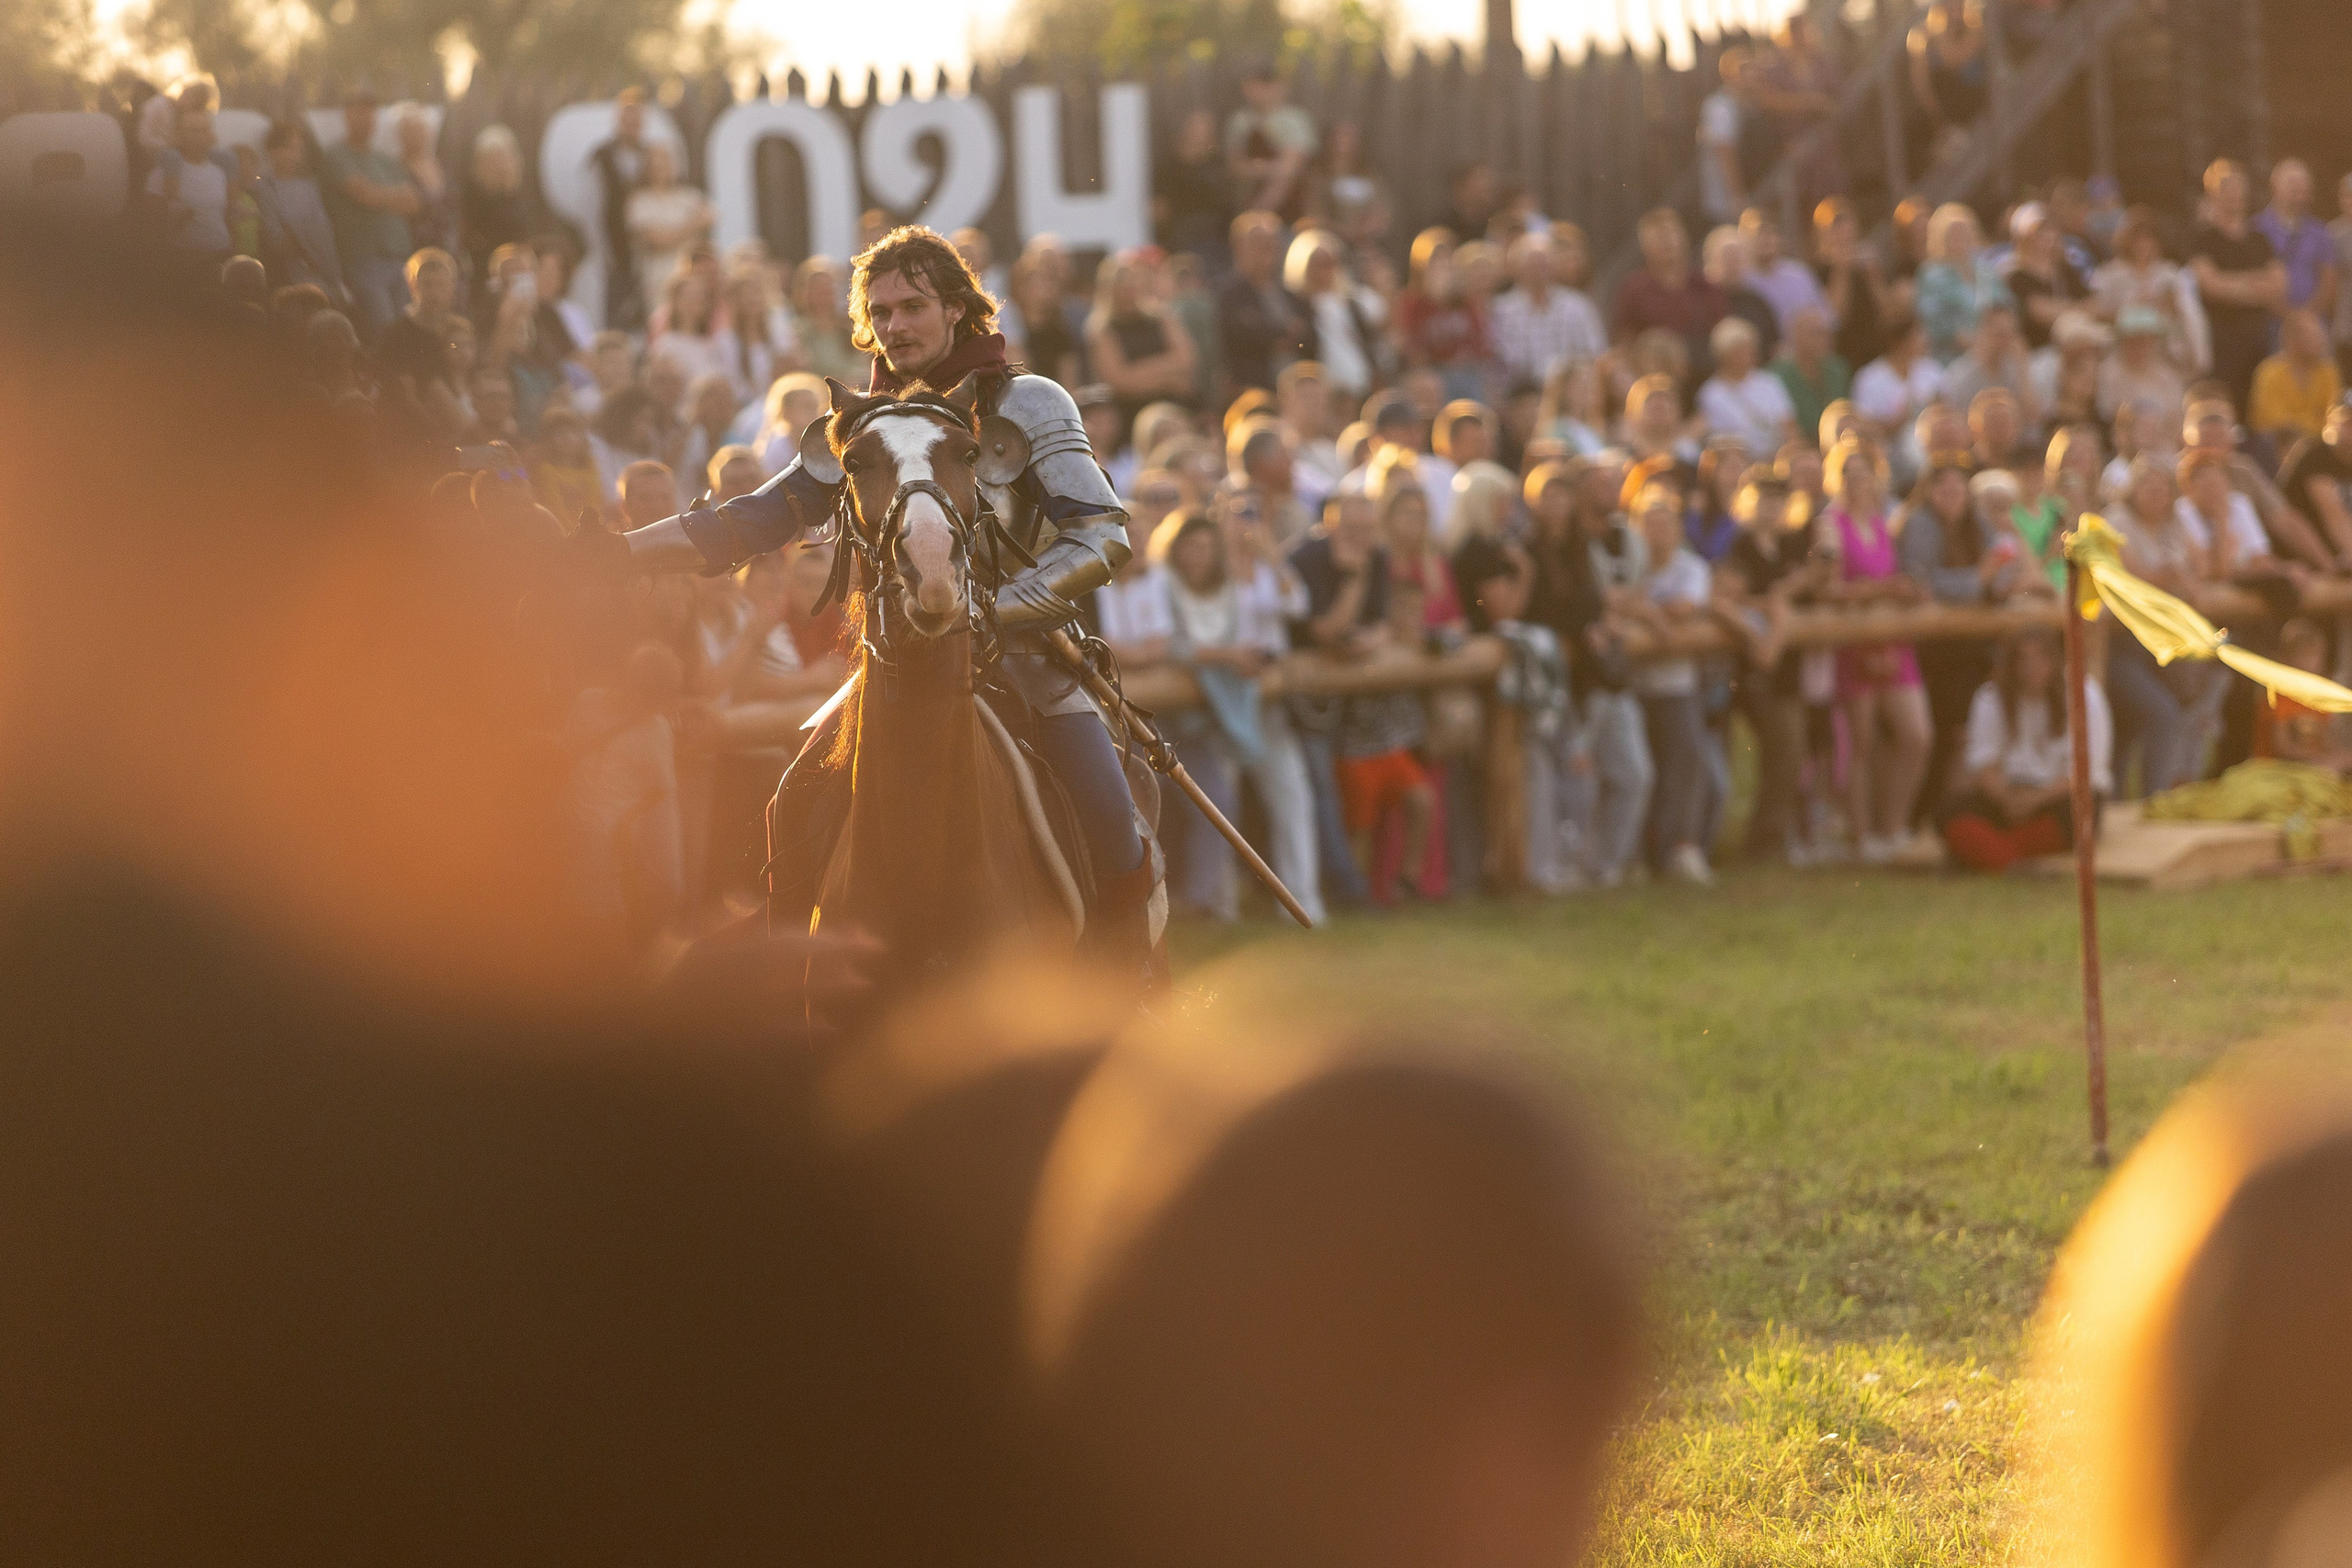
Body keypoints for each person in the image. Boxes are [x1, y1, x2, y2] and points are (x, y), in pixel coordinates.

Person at [611, 225, 1154, 971]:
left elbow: (1101, 535)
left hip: (1028, 662)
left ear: (958, 309)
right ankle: (803, 993)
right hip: (894, 671)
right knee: (792, 800)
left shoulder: (1027, 402)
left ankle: (1128, 991)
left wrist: (998, 608)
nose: (896, 325)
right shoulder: (859, 427)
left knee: (1112, 822)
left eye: (914, 305)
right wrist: (617, 553)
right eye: (883, 310)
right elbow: (751, 521)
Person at [1815, 437, 1930, 863]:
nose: (1858, 481)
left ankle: (1892, 826)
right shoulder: (1830, 524)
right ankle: (1863, 838)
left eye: (1865, 473)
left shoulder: (1883, 523)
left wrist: (1906, 593)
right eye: (1850, 473)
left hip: (1891, 637)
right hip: (1853, 640)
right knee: (1861, 742)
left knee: (1916, 736)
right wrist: (1885, 588)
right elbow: (1828, 589)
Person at [2104, 456, 2230, 794]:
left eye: (2163, 487)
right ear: (2133, 489)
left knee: (2199, 696)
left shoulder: (2174, 522)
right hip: (2119, 646)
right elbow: (2130, 577)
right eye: (2149, 486)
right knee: (2161, 714)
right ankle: (2151, 800)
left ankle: (2151, 797)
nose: (2157, 494)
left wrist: (2181, 578)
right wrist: (2174, 576)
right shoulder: (2116, 519)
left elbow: (2201, 570)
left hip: (2159, 647)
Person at [1935, 629, 2109, 871]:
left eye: (2040, 658)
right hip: (2008, 795)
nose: (2032, 667)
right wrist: (2007, 799)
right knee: (1950, 810)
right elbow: (1983, 764)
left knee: (2080, 815)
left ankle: (1989, 853)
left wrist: (2035, 800)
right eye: (2023, 659)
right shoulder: (1991, 697)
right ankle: (2008, 859)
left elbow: (2085, 770)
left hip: (2055, 795)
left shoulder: (2084, 695)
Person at [1715, 469, 1816, 863]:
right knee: (1784, 746)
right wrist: (1774, 609)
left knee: (1790, 753)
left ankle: (1769, 838)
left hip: (1786, 667)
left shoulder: (1792, 547)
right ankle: (1764, 841)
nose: (1770, 508)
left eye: (1777, 500)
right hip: (1749, 669)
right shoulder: (1739, 547)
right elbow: (1727, 598)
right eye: (1762, 499)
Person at [1623, 482, 1717, 886]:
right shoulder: (1631, 566)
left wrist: (1645, 611)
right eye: (1649, 523)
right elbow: (1618, 602)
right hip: (1637, 685)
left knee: (1685, 768)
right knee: (1646, 772)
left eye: (1664, 523)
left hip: (1678, 686)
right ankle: (1644, 855)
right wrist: (1649, 614)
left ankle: (1682, 848)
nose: (1656, 531)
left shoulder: (1691, 568)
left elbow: (1686, 607)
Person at [319, 88, 418, 340]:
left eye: (371, 113)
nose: (366, 119)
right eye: (359, 112)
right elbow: (364, 195)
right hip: (366, 263)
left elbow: (413, 202)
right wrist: (389, 197)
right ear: (347, 116)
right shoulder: (336, 155)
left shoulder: (386, 160)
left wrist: (378, 195)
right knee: (386, 335)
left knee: (409, 333)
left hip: (401, 262)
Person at [2189, 160, 2288, 412]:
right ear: (2212, 193)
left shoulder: (2259, 239)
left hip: (2261, 337)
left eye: (2238, 187)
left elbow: (2278, 285)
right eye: (2226, 187)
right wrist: (2256, 283)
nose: (2233, 194)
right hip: (2221, 340)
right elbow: (2210, 286)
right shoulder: (2203, 239)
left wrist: (2232, 283)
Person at [1088, 249, 1198, 430]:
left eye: (1132, 285)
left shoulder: (1163, 317)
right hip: (1132, 415)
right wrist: (1167, 380)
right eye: (1122, 288)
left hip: (1179, 406)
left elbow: (1186, 360)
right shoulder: (1102, 329)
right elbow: (1118, 380)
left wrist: (1137, 371)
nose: (1128, 293)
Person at [1614, 209, 1727, 377]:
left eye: (1670, 235)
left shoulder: (1704, 286)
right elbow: (1624, 342)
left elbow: (1723, 332)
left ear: (1684, 238)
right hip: (1653, 375)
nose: (1665, 243)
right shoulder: (1634, 289)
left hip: (1704, 373)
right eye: (1658, 238)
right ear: (1645, 246)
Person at [1489, 231, 1606, 391]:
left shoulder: (1577, 306)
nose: (1539, 270)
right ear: (1517, 268)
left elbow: (1596, 353)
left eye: (1544, 263)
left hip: (1568, 393)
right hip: (1520, 395)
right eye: (1532, 264)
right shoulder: (1501, 311)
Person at [1219, 211, 1316, 398]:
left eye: (1272, 244)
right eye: (1258, 244)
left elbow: (1309, 338)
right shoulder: (1227, 296)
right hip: (1252, 391)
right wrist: (1284, 335)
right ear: (1239, 247)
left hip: (1297, 394)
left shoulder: (1292, 296)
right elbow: (1242, 338)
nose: (1267, 250)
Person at [251, 120, 345, 300]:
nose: (295, 155)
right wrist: (307, 235)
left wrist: (297, 232)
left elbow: (324, 231)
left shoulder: (309, 187)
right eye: (289, 148)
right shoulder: (264, 187)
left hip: (320, 271)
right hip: (286, 275)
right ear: (273, 151)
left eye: (298, 149)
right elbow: (276, 241)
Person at [1224, 60, 1317, 224]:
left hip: (1289, 207)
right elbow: (1235, 166)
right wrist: (1270, 167)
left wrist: (1257, 216)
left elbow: (1291, 168)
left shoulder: (1294, 120)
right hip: (1243, 200)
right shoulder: (1239, 121)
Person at [144, 99, 232, 272]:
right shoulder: (162, 174)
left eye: (204, 130)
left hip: (221, 254)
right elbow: (149, 223)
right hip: (184, 259)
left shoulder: (220, 173)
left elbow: (227, 217)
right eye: (193, 131)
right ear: (179, 135)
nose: (200, 136)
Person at [591, 88, 653, 330]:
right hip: (615, 249)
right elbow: (595, 208)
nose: (632, 124)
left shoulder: (649, 156)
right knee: (616, 314)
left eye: (637, 119)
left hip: (647, 251)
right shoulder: (602, 156)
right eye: (627, 118)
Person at [627, 141, 715, 310]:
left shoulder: (690, 196)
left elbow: (710, 220)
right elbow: (659, 241)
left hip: (696, 280)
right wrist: (694, 224)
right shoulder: (639, 202)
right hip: (660, 282)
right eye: (656, 162)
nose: (662, 167)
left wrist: (674, 232)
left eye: (666, 161)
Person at [1916, 202, 2001, 365]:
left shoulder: (1984, 268)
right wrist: (1973, 343)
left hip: (1995, 349)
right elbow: (1933, 322)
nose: (1960, 238)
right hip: (1953, 358)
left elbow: (2006, 303)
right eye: (1953, 233)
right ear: (1941, 237)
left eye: (1964, 232)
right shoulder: (1930, 274)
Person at [1697, 317, 1796, 455]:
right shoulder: (1711, 393)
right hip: (1738, 462)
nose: (1747, 355)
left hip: (1776, 457)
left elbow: (1789, 425)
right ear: (1724, 354)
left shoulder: (1769, 382)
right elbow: (1715, 439)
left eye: (1749, 349)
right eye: (1740, 351)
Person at [2255, 156, 2336, 318]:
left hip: (2313, 327)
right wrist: (2288, 316)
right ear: (2275, 186)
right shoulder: (2256, 230)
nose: (2300, 189)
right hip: (2268, 327)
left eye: (2304, 183)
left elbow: (2330, 281)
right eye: (2293, 183)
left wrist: (2306, 317)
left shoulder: (2320, 232)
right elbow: (2253, 278)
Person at [2247, 308, 2342, 448]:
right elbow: (2271, 420)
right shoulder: (2269, 372)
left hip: (2320, 445)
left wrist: (2304, 429)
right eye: (2312, 336)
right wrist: (2312, 424)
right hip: (2277, 446)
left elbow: (2334, 416)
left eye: (2319, 335)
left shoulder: (2329, 372)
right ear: (2291, 340)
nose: (2320, 341)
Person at [2275, 400, 2352, 570]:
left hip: (2337, 551)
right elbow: (2333, 516)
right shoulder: (2315, 455)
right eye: (2348, 423)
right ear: (2331, 422)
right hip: (2299, 555)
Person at [1152, 108, 1235, 264]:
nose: (1201, 132)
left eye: (1206, 127)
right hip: (1180, 242)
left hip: (1217, 243)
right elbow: (1159, 212)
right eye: (1196, 126)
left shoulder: (1219, 165)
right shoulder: (1167, 169)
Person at [1737, 208, 1827, 341]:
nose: (1766, 239)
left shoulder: (1800, 274)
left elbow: (1827, 319)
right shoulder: (1741, 281)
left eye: (1770, 233)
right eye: (1758, 234)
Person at [1770, 305, 1849, 449]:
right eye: (1816, 334)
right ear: (1796, 336)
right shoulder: (1776, 375)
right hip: (1798, 447)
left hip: (1837, 444)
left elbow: (1844, 411)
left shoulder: (1837, 369)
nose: (1825, 339)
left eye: (1827, 334)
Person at [460, 124, 531, 286]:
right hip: (485, 266)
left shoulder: (515, 193)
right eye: (495, 156)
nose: (501, 161)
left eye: (504, 155)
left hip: (516, 266)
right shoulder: (475, 194)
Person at [1697, 47, 1750, 230]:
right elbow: (1725, 151)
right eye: (1742, 70)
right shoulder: (1719, 108)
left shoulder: (1744, 104)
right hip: (1726, 199)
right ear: (1728, 73)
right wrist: (1737, 196)